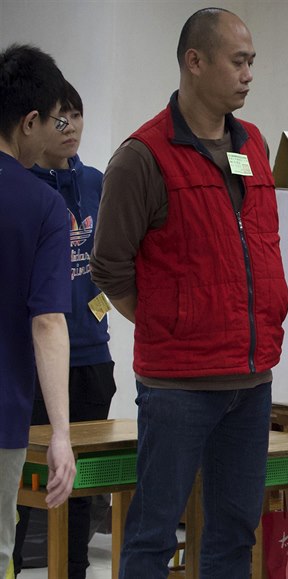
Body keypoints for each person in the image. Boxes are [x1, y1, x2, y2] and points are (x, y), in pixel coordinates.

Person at [91, 8, 288, 577]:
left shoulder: (250, 143)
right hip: (177, 384)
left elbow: (259, 241)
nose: (249, 73)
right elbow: (109, 267)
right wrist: (168, 323)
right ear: (194, 62)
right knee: (153, 534)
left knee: (233, 533)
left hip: (250, 381)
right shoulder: (142, 156)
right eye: (238, 60)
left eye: (252, 61)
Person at [11, 80, 116, 579]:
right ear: (32, 122)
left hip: (91, 349)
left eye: (76, 116)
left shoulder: (95, 182)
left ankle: (74, 570)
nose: (70, 127)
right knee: (23, 484)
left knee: (82, 483)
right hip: (36, 359)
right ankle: (17, 561)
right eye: (60, 117)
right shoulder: (25, 191)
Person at [0, 43, 77, 574]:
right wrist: (62, 434)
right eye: (53, 120)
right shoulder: (42, 203)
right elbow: (48, 321)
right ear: (29, 122)